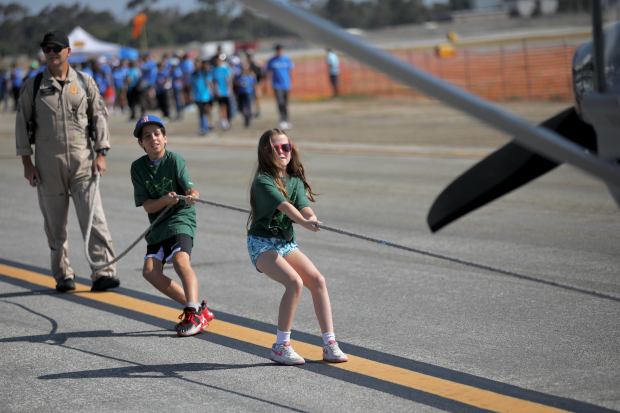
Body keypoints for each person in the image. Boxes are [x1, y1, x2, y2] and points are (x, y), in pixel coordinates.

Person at [15, 30, 120, 292]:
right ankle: (63, 274)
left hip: (84, 162)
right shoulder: (34, 85)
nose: (51, 53)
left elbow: (99, 118)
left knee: (94, 218)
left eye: (57, 48)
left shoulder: (85, 83)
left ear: (68, 52)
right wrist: (28, 165)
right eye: (47, 48)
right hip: (48, 166)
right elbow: (21, 125)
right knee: (55, 225)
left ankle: (103, 271)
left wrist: (102, 154)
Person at [246, 128, 348, 365]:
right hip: (261, 243)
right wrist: (303, 222)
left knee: (318, 281)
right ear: (266, 151)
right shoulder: (263, 180)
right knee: (294, 282)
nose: (283, 152)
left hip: (285, 242)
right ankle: (281, 346)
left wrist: (310, 217)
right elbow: (285, 207)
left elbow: (302, 206)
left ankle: (330, 344)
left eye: (287, 147)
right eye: (277, 148)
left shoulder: (294, 179)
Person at [130, 114, 215, 337]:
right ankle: (198, 308)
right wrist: (164, 201)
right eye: (147, 136)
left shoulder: (174, 160)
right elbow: (148, 206)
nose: (153, 139)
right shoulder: (137, 168)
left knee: (180, 260)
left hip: (180, 218)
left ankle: (192, 314)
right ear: (141, 143)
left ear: (165, 138)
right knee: (150, 272)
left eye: (157, 134)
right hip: (158, 223)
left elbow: (190, 189)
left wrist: (193, 195)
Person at [265, 44, 294, 130]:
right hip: (276, 85)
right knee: (280, 102)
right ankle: (282, 120)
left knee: (285, 103)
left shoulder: (287, 59)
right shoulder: (272, 60)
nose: (279, 51)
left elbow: (290, 71)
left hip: (286, 84)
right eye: (277, 50)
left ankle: (287, 119)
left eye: (280, 50)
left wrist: (290, 83)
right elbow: (267, 72)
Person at [190, 59, 213, 135]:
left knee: (206, 111)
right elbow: (192, 86)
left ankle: (207, 125)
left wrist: (211, 92)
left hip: (206, 96)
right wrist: (192, 95)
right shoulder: (193, 74)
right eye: (196, 64)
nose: (197, 65)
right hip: (198, 96)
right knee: (201, 112)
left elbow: (209, 83)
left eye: (198, 64)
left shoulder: (205, 73)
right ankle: (203, 127)